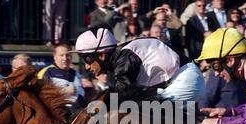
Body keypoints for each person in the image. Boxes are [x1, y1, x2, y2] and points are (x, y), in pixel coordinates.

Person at [72, 27, 204, 102]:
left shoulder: (123, 57)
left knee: (139, 110)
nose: (87, 66)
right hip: (182, 79)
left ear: (101, 55)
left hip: (185, 80)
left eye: (87, 59)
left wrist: (95, 104)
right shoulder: (122, 55)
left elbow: (122, 93)